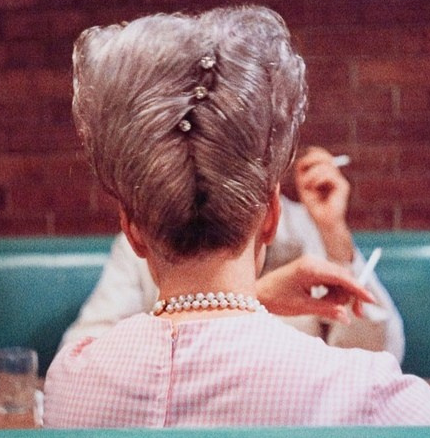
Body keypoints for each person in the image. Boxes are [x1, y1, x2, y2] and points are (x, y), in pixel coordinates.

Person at [44, 5, 430, 428]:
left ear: (132, 229)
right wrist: (249, 300)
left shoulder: (71, 383)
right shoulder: (361, 388)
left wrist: (250, 298)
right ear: (270, 216)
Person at [58, 146, 405, 360]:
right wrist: (253, 300)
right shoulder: (149, 236)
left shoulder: (308, 229)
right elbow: (84, 349)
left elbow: (381, 349)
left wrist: (333, 232)